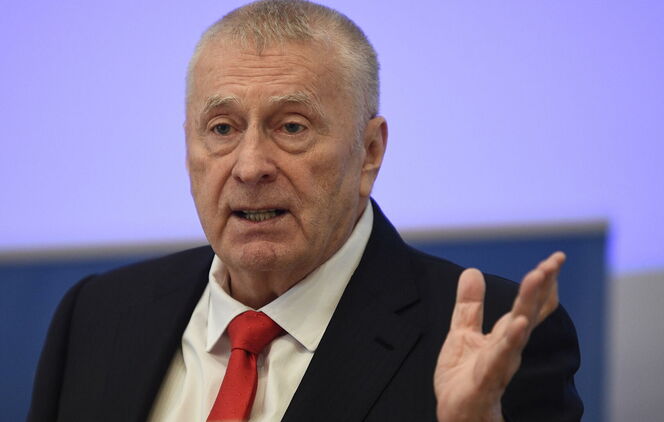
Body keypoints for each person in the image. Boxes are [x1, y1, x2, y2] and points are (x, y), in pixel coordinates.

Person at [27, 1, 583, 421]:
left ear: (370, 152)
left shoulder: (493, 340)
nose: (250, 166)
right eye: (222, 128)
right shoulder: (96, 317)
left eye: (292, 127)